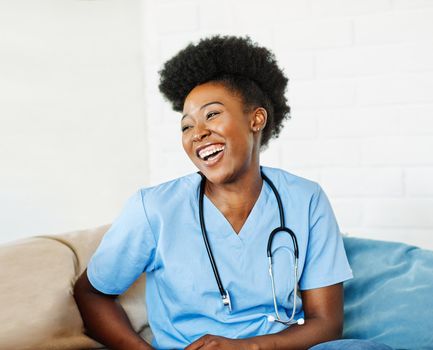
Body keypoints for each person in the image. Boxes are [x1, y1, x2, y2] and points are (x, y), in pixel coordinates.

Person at [73, 36, 392, 350]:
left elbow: (326, 323)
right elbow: (92, 293)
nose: (198, 133)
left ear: (256, 119)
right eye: (186, 126)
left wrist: (248, 347)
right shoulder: (154, 208)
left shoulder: (305, 199)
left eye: (212, 114)